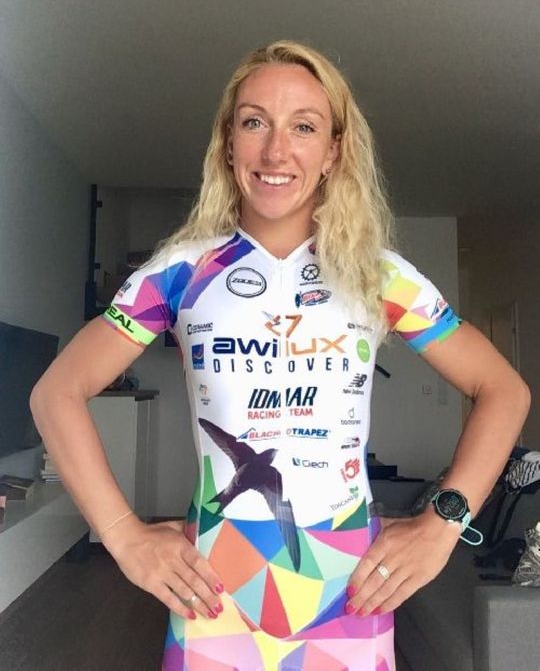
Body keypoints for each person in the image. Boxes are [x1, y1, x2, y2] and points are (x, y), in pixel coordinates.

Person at [30, 40, 530, 671]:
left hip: (349, 588)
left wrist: (443, 524)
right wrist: (123, 535)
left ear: (334, 152)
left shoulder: (379, 277)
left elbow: (503, 390)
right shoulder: (180, 273)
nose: (276, 151)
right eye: (254, 122)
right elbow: (56, 392)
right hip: (214, 590)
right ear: (227, 143)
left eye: (304, 127)